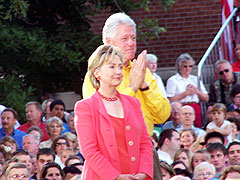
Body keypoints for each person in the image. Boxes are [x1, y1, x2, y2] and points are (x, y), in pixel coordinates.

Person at [82, 12, 170, 136]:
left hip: (146, 146)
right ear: (108, 42)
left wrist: (144, 86)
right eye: (124, 39)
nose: (131, 43)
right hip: (114, 148)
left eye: (133, 38)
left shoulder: (141, 70)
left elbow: (163, 115)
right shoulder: (97, 74)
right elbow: (103, 115)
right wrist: (133, 87)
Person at [75, 44, 153, 180]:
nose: (118, 71)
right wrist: (116, 177)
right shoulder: (85, 107)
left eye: (119, 66)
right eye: (112, 67)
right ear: (97, 73)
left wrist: (144, 173)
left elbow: (145, 142)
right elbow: (89, 151)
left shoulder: (133, 103)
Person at [166, 53, 209, 128]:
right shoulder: (173, 80)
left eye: (190, 66)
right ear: (179, 67)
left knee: (197, 129)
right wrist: (186, 93)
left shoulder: (195, 79)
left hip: (195, 107)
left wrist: (196, 91)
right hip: (181, 108)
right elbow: (170, 99)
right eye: (185, 66)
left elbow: (206, 98)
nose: (188, 68)